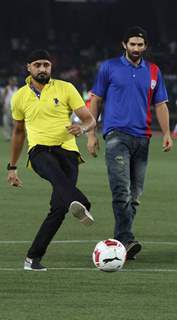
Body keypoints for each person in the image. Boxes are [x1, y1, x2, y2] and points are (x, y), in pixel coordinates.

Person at [87, 26, 173, 260]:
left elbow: (161, 105)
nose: (136, 48)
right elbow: (95, 100)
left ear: (145, 47)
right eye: (132, 44)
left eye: (140, 44)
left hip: (143, 138)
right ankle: (126, 238)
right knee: (122, 190)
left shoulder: (154, 71)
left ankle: (121, 242)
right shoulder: (108, 68)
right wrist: (91, 134)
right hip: (116, 135)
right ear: (124, 45)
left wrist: (166, 133)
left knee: (135, 195)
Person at [7, 49, 96, 271]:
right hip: (39, 152)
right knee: (57, 179)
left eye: (46, 64)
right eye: (37, 64)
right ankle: (83, 203)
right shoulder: (19, 97)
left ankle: (32, 258)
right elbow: (18, 133)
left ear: (51, 67)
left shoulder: (66, 88)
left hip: (68, 152)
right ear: (29, 67)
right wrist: (12, 167)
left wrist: (82, 129)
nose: (42, 69)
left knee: (59, 208)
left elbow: (89, 119)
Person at [2, 76, 18, 140]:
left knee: (14, 122)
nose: (13, 82)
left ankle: (13, 134)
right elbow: (3, 98)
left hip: (14, 107)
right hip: (7, 106)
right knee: (6, 121)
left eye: (14, 81)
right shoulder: (7, 88)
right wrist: (3, 106)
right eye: (12, 81)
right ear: (9, 81)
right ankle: (7, 135)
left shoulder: (16, 88)